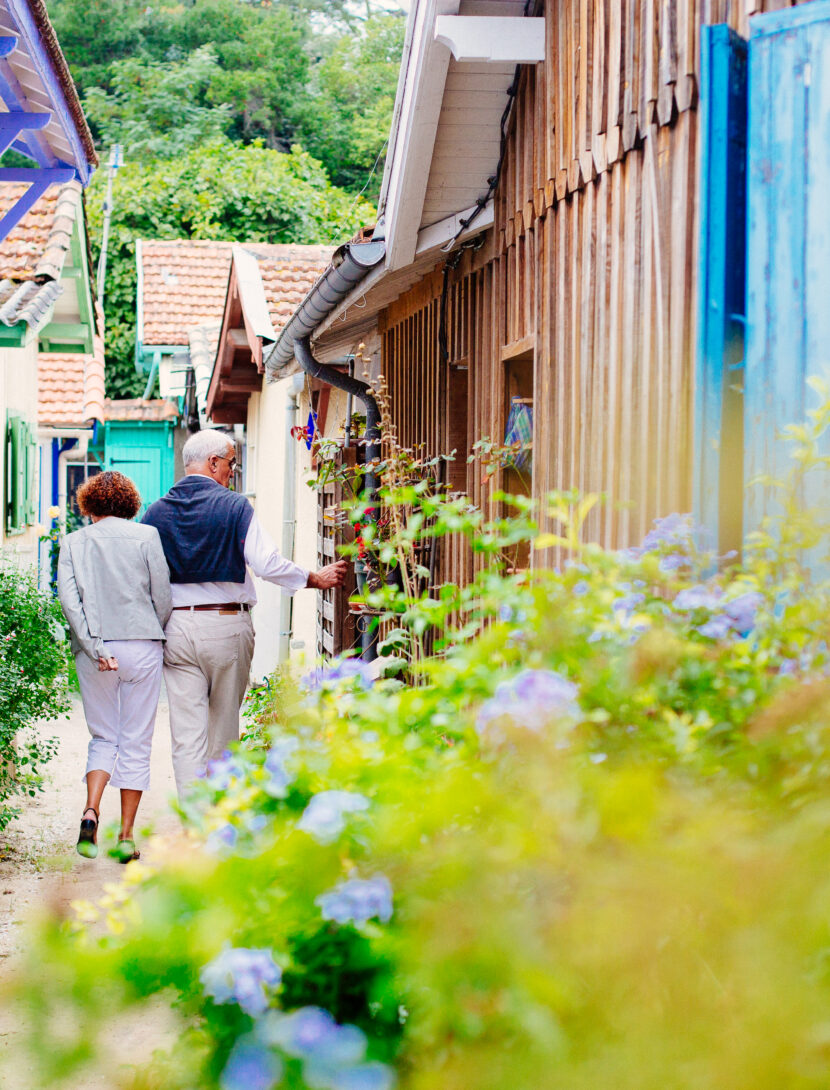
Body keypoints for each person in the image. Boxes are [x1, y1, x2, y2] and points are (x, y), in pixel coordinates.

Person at [142, 429, 346, 796]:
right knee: (223, 727)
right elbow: (266, 563)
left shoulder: (155, 512)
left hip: (176, 628)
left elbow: (143, 573)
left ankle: (194, 814)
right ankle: (218, 811)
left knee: (186, 733)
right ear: (213, 463)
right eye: (231, 464)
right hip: (224, 626)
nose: (232, 472)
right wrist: (312, 578)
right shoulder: (235, 507)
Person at [57, 471, 172, 863]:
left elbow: (70, 603)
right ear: (130, 504)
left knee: (104, 736)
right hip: (141, 645)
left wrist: (94, 646)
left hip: (96, 649)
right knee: (136, 740)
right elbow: (162, 596)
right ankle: (125, 837)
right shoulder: (147, 536)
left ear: (89, 505)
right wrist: (153, 631)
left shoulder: (73, 542)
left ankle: (91, 810)